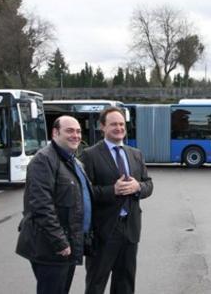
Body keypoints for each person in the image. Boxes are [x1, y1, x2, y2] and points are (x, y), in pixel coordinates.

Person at [16, 116, 93, 294]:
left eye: (78, 131)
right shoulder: (44, 160)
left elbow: (82, 198)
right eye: (70, 131)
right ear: (55, 133)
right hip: (51, 248)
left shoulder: (74, 161)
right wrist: (60, 243)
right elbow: (41, 206)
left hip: (67, 244)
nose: (76, 135)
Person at [81, 107, 153, 294]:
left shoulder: (135, 154)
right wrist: (111, 190)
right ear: (102, 127)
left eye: (121, 124)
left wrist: (138, 187)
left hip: (130, 230)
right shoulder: (90, 155)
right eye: (113, 124)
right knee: (96, 284)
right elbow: (84, 193)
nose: (119, 128)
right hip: (103, 231)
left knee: (125, 284)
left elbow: (148, 184)